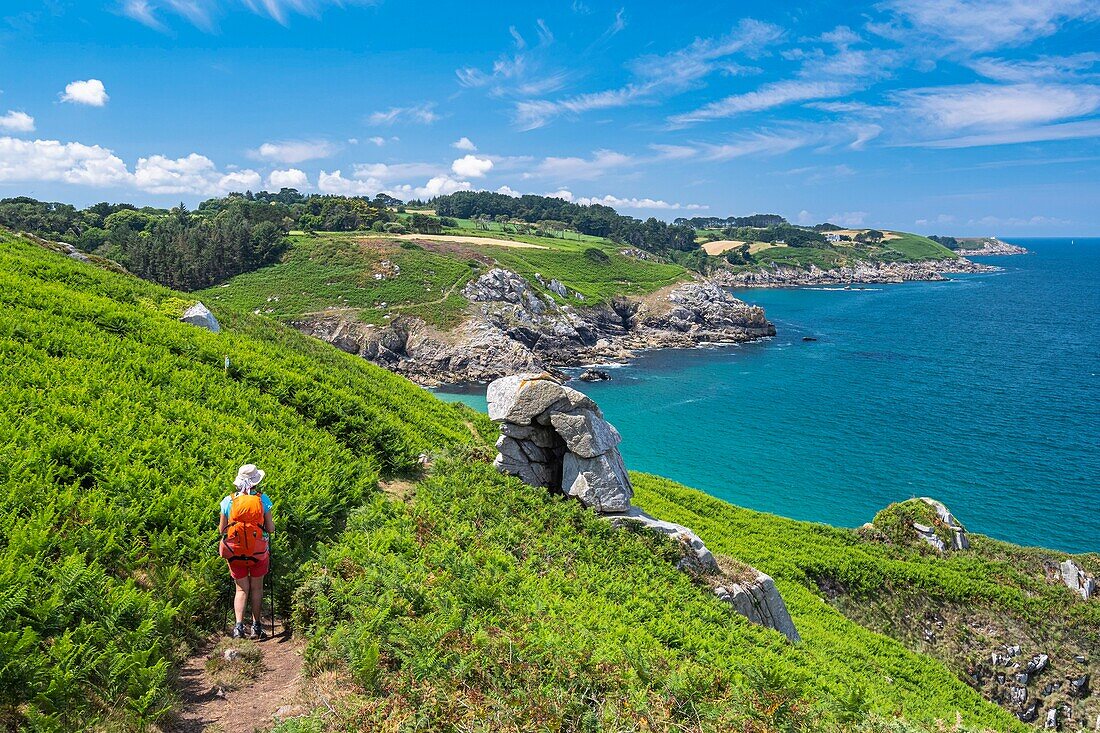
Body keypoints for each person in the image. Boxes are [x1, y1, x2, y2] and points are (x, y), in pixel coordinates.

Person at [218, 464, 274, 639]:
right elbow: (271, 528)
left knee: (241, 590)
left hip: (235, 553)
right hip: (258, 553)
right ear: (256, 482)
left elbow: (222, 529)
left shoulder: (228, 501)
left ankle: (238, 628)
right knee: (257, 588)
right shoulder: (263, 500)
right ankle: (257, 627)